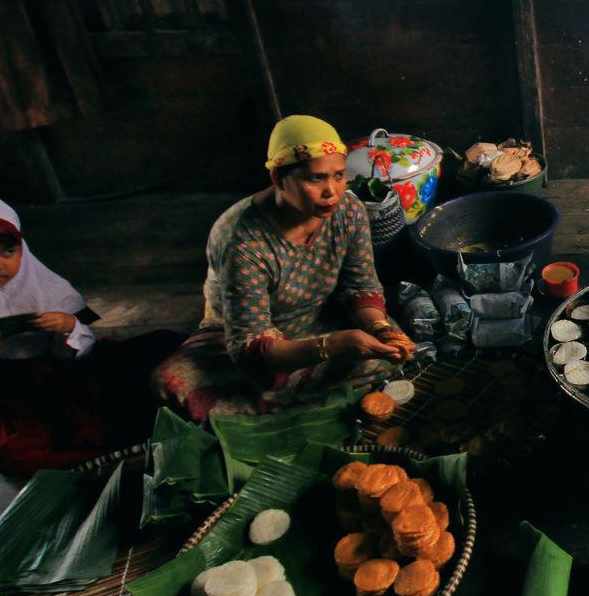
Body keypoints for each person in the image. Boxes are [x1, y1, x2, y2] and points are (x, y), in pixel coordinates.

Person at [0, 189, 180, 476]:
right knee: (15, 452)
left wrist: (67, 329)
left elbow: (82, 349)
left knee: (163, 346)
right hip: (1, 393)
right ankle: (111, 458)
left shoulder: (40, 282)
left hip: (65, 373)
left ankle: (134, 441)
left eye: (8, 252)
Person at [153, 115, 414, 421]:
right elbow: (250, 345)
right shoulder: (242, 240)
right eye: (315, 178)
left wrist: (377, 328)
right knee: (177, 384)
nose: (332, 191)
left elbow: (360, 287)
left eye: (339, 175)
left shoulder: (349, 210)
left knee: (393, 357)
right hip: (242, 338)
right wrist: (333, 346)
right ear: (278, 179)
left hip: (322, 315)